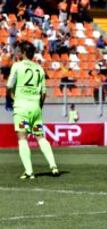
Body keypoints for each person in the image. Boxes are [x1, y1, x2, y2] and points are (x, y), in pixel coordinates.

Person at [5, 41, 59, 179]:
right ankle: (53, 166)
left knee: (22, 138)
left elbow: (9, 85)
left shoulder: (17, 66)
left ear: (22, 52)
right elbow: (44, 93)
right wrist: (39, 106)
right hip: (35, 108)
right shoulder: (39, 68)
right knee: (40, 137)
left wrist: (11, 98)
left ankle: (29, 171)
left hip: (22, 108)